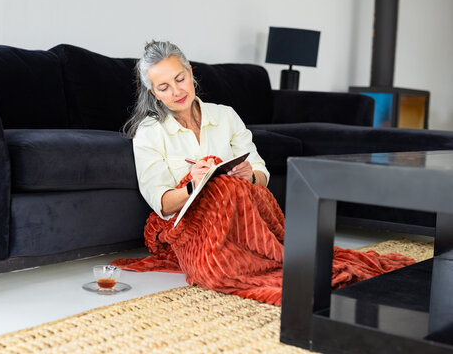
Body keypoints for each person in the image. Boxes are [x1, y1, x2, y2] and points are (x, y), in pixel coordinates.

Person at [112, 40, 415, 305]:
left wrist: (248, 175)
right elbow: (161, 202)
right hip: (193, 225)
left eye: (180, 79)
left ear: (191, 72)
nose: (177, 91)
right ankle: (246, 258)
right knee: (222, 205)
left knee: (234, 186)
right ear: (154, 93)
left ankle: (261, 252)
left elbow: (260, 173)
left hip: (245, 217)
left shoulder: (225, 115)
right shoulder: (149, 132)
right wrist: (197, 185)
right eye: (164, 87)